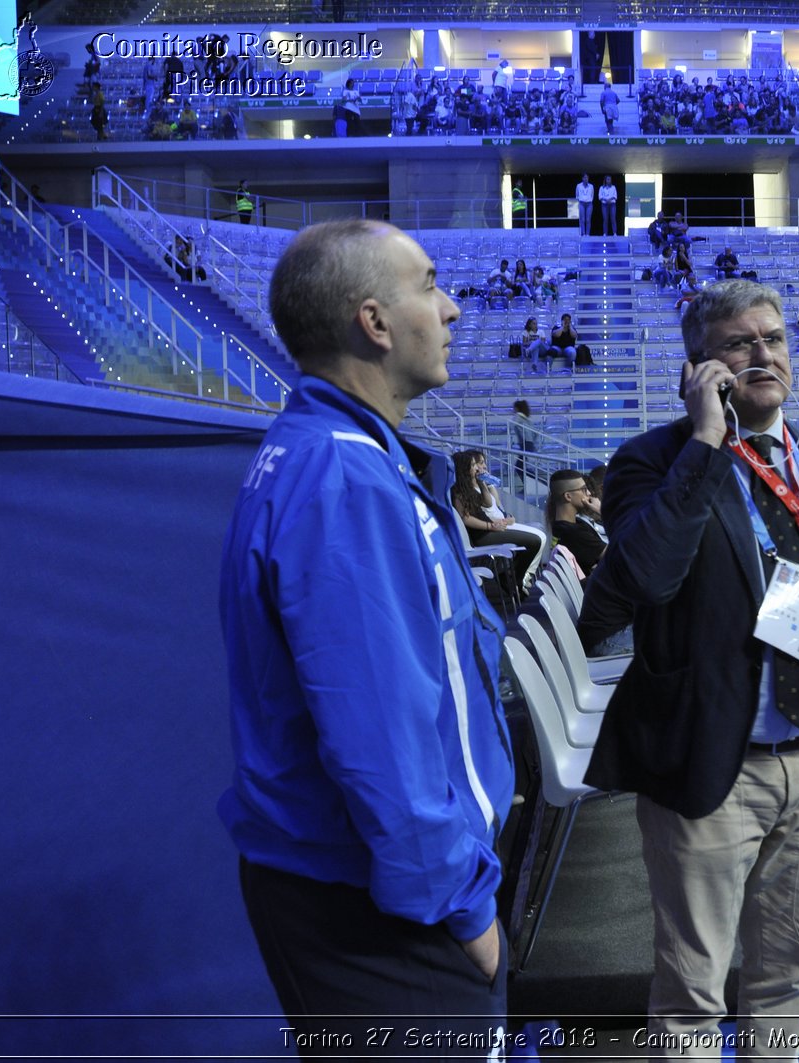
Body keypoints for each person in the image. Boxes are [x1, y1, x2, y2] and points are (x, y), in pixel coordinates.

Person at [584, 279, 799, 1058]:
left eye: (774, 339)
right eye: (739, 342)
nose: (763, 352)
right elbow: (644, 581)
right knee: (693, 987)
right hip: (712, 764)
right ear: (701, 366)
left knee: (794, 971)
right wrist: (704, 441)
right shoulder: (649, 461)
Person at [219, 220, 513, 1049]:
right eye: (428, 284)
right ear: (374, 323)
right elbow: (382, 737)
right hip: (387, 909)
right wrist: (467, 916)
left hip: (367, 893)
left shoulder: (336, 454)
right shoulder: (345, 477)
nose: (451, 307)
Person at [453, 449, 546, 592]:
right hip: (482, 535)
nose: (477, 468)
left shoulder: (472, 487)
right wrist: (490, 526)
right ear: (464, 468)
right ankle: (514, 579)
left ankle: (513, 579)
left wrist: (482, 483)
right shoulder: (459, 491)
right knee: (534, 540)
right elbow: (466, 519)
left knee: (535, 539)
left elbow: (488, 503)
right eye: (473, 465)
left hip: (489, 529)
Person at [548, 468, 606, 576]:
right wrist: (602, 511)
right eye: (584, 489)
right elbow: (619, 555)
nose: (589, 493)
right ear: (568, 496)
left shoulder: (570, 525)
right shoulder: (572, 533)